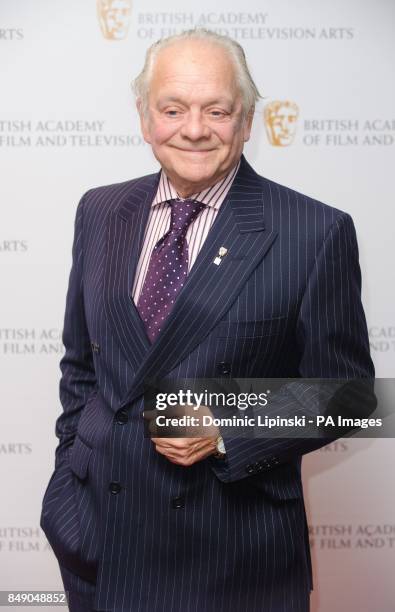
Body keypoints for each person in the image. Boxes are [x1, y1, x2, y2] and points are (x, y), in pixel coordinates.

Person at [40, 28, 374, 612]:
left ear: (245, 122)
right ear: (146, 119)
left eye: (217, 110)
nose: (194, 129)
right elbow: (81, 364)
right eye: (173, 109)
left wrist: (225, 428)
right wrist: (73, 466)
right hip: (97, 537)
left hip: (229, 556)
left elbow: (351, 395)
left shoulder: (314, 232)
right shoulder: (98, 209)